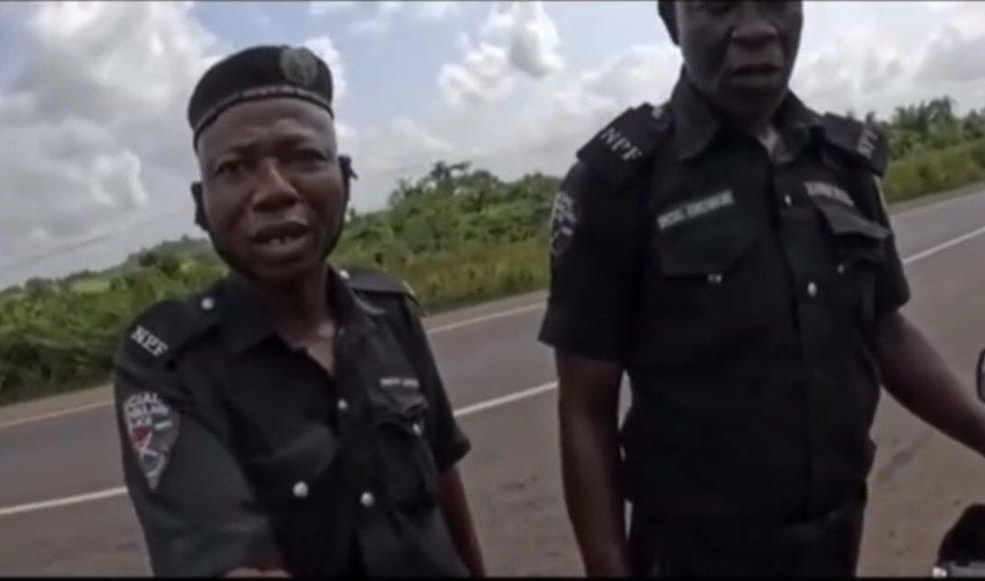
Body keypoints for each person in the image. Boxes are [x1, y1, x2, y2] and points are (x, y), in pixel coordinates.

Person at [539, 1, 985, 576]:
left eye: (776, 2)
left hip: (835, 537)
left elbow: (885, 329)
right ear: (671, 20)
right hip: (694, 556)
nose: (755, 29)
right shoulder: (618, 183)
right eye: (719, 5)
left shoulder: (840, 162)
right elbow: (584, 407)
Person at [112, 44, 484, 578]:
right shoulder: (168, 364)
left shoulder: (391, 310)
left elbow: (443, 482)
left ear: (346, 178)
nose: (274, 191)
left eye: (304, 157)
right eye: (234, 168)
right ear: (201, 206)